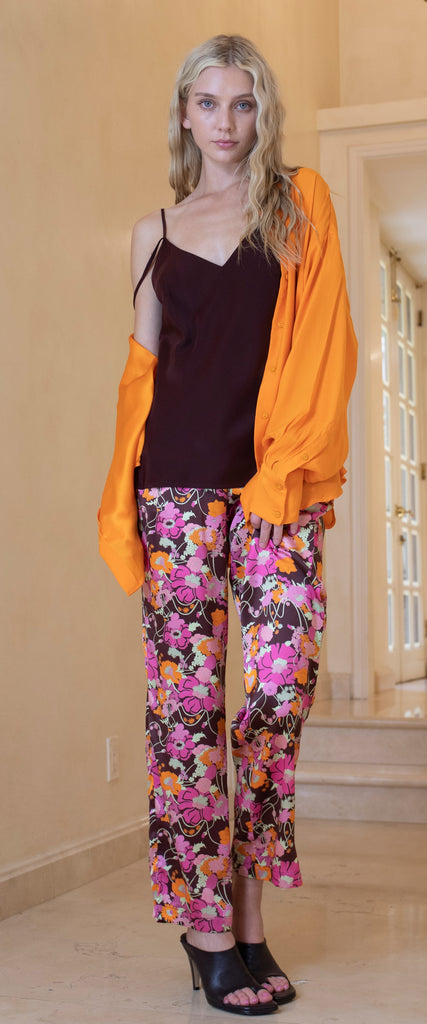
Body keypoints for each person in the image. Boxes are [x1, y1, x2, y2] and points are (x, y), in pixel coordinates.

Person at [98, 34, 357, 1016]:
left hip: (273, 489)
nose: (224, 121)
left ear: (262, 114)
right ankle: (209, 931)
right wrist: (122, 501)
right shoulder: (152, 232)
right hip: (172, 492)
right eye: (206, 102)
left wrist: (283, 478)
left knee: (274, 700)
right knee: (185, 716)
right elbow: (141, 379)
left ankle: (248, 909)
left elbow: (327, 353)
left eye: (241, 103)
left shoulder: (298, 207)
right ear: (183, 114)